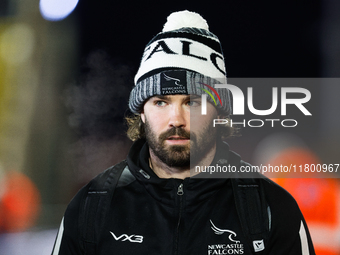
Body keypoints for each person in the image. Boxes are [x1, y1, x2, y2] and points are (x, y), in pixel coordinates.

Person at [52, 10, 315, 255]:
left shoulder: (271, 207)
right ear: (141, 112)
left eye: (193, 102)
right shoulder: (91, 205)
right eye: (160, 102)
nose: (176, 119)